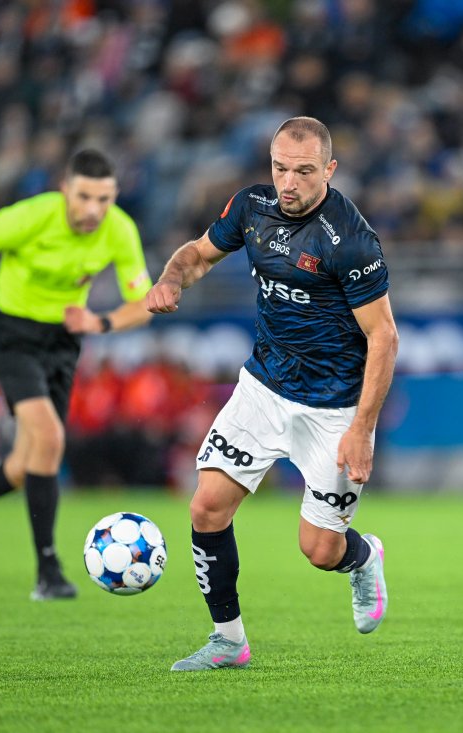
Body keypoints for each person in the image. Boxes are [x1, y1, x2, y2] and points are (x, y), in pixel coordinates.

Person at [146, 116, 399, 672]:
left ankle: (362, 557)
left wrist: (361, 430)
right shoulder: (251, 206)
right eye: (281, 168)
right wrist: (170, 278)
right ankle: (228, 640)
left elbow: (384, 337)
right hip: (264, 387)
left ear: (329, 170)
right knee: (206, 507)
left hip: (333, 406)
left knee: (320, 550)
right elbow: (197, 255)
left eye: (304, 171)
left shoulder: (350, 240)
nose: (288, 182)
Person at [0, 149, 153, 600]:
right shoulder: (29, 217)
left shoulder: (120, 229)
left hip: (63, 344)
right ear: (65, 189)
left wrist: (100, 322)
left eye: (104, 199)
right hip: (12, 337)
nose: (94, 209)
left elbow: (143, 303)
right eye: (84, 197)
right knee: (48, 438)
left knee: (27, 461)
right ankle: (48, 571)